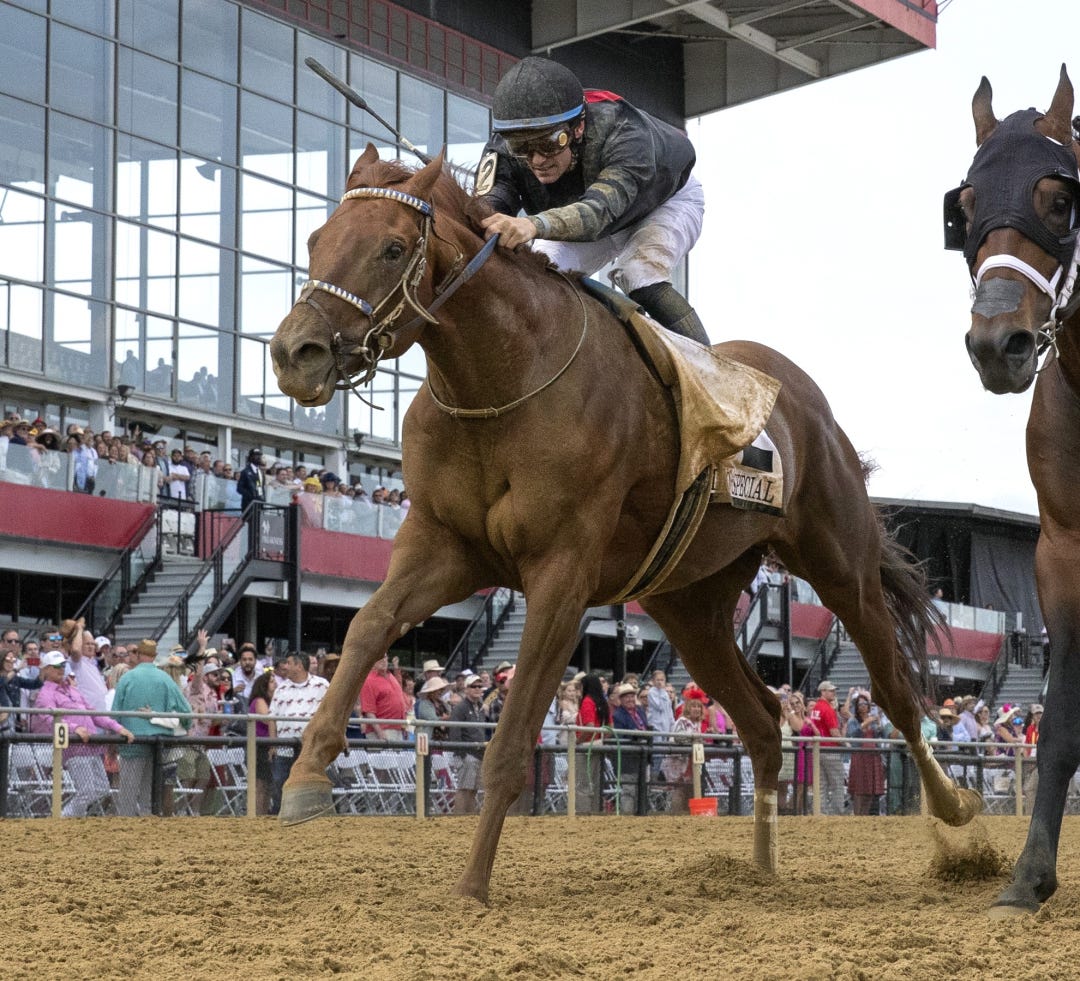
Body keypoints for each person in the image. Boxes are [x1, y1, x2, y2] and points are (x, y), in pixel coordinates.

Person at [476, 56, 708, 345]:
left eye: (551, 143)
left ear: (578, 128)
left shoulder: (625, 134)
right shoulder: (503, 148)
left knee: (637, 273)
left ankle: (711, 371)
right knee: (540, 272)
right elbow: (485, 210)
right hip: (583, 214)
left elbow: (599, 213)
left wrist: (532, 225)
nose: (537, 160)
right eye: (522, 146)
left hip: (665, 202)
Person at [30, 650, 134, 816]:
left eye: (63, 665)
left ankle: (69, 817)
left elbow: (93, 713)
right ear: (46, 669)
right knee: (86, 791)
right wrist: (74, 728)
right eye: (56, 666)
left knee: (101, 788)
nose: (61, 669)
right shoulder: (45, 694)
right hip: (74, 748)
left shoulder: (73, 691)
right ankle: (62, 820)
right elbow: (48, 718)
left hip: (91, 745)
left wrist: (117, 727)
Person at [111, 639, 192, 816]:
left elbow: (115, 713)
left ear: (138, 655)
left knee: (128, 797)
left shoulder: (127, 678)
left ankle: (125, 833)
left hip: (131, 744)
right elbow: (186, 711)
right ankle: (149, 834)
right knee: (150, 797)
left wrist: (112, 742)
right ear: (155, 656)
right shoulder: (165, 679)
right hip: (160, 746)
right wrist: (185, 728)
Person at [268, 651, 329, 814]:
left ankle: (310, 814)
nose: (285, 667)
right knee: (281, 780)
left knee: (310, 781)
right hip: (284, 745)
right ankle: (281, 812)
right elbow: (272, 717)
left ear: (299, 666)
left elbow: (331, 712)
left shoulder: (322, 685)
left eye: (288, 663)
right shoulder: (281, 689)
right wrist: (273, 743)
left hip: (310, 746)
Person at [809, 680, 846, 815]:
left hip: (818, 750)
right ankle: (838, 813)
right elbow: (834, 732)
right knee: (837, 784)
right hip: (830, 750)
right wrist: (846, 743)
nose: (834, 693)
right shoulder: (827, 708)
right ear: (823, 691)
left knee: (821, 785)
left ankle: (820, 812)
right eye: (831, 690)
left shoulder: (816, 708)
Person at [845, 695, 886, 816]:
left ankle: (865, 815)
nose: (863, 706)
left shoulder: (873, 719)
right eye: (860, 704)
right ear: (856, 707)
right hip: (860, 756)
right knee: (859, 789)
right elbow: (851, 734)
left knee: (870, 789)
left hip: (873, 756)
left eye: (865, 704)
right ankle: (857, 814)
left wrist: (879, 724)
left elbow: (882, 735)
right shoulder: (853, 720)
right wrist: (864, 724)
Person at [358, 654, 409, 742]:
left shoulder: (391, 676)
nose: (383, 660)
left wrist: (403, 726)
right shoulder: (368, 680)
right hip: (382, 731)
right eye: (379, 657)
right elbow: (368, 711)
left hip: (398, 729)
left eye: (384, 656)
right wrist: (380, 733)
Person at [248, 670, 277, 816]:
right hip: (260, 746)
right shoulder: (259, 701)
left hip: (266, 745)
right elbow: (267, 719)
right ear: (264, 685)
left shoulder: (270, 702)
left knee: (267, 785)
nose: (275, 684)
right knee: (260, 785)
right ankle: (257, 814)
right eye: (272, 682)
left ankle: (263, 813)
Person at [414, 676, 451, 741]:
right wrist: (446, 718)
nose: (441, 692)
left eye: (442, 690)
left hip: (444, 738)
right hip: (429, 738)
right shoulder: (424, 703)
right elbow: (432, 719)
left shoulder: (443, 703)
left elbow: (451, 714)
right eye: (439, 690)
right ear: (432, 691)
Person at [236, 448, 266, 513]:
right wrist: (250, 495)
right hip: (248, 505)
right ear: (251, 457)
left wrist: (263, 500)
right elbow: (239, 488)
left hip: (259, 505)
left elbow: (261, 487)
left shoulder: (261, 472)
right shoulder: (245, 472)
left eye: (259, 455)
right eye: (256, 455)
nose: (258, 457)